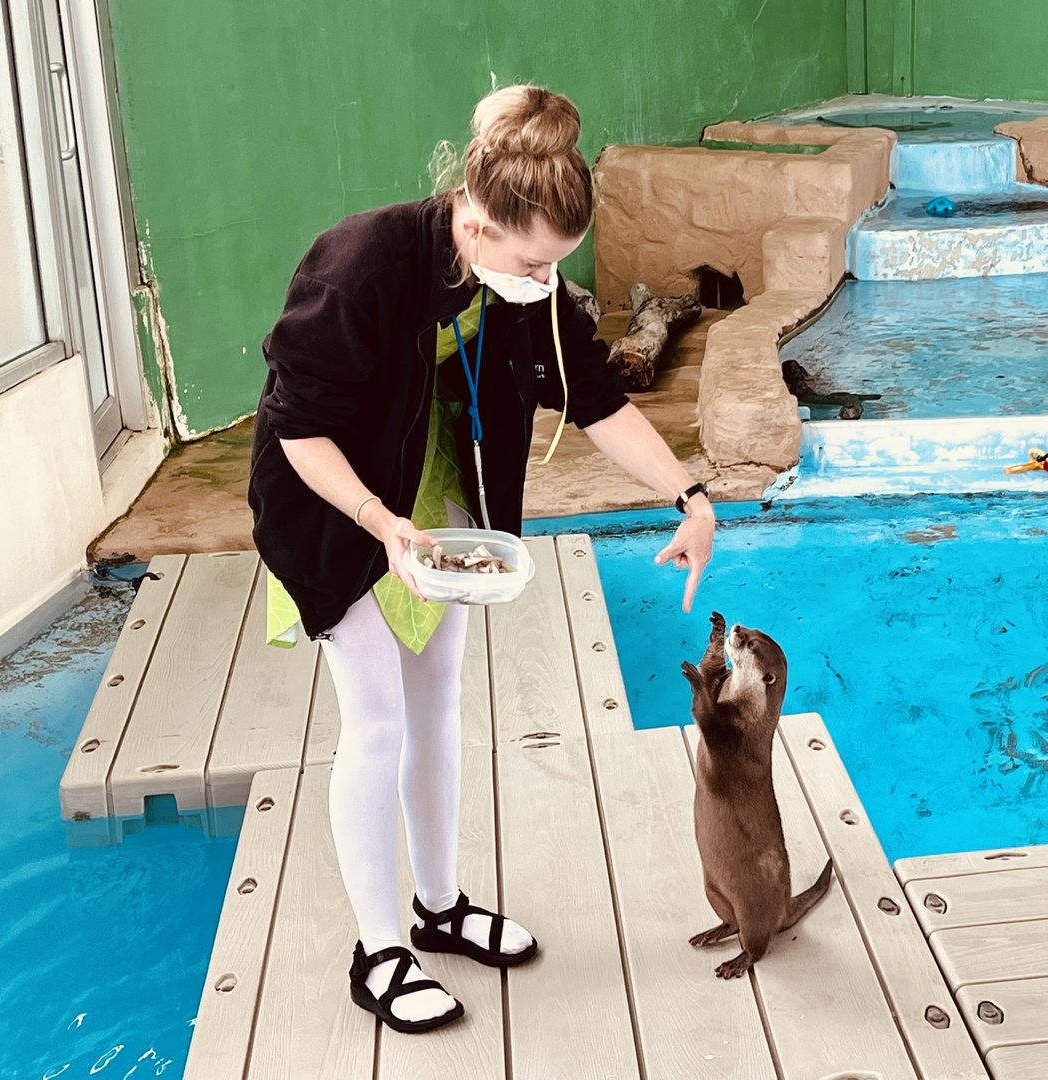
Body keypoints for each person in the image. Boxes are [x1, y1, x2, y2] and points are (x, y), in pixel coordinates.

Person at [247, 84, 715, 1034]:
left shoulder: (521, 288)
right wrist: (383, 524)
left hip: (441, 499)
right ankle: (379, 951)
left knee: (439, 702)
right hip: (340, 506)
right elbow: (298, 431)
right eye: (534, 260)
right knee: (375, 722)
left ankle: (440, 904)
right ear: (476, 218)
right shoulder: (360, 263)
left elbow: (595, 397)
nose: (547, 282)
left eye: (557, 265)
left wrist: (690, 495)